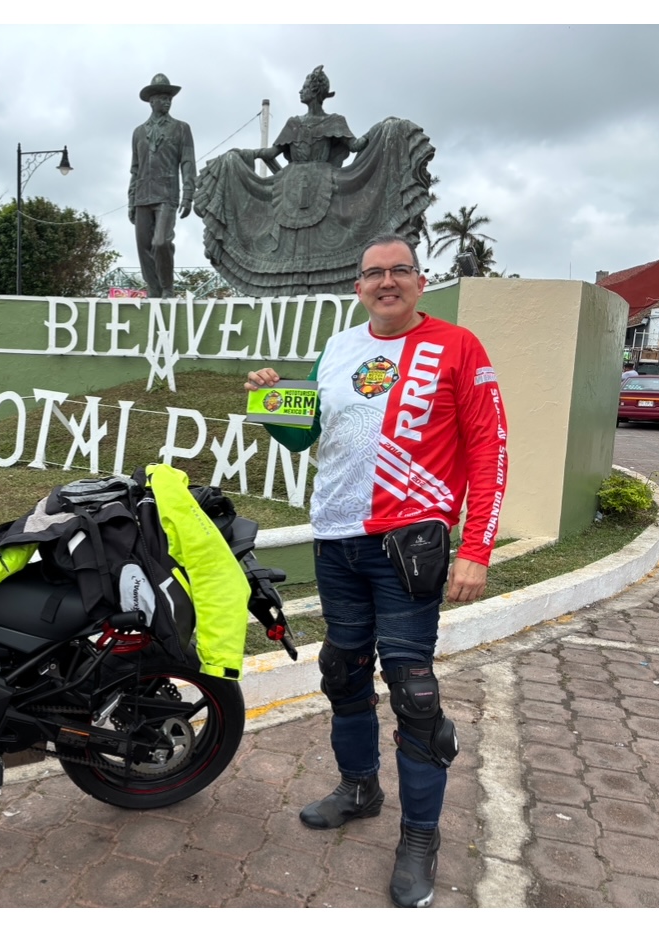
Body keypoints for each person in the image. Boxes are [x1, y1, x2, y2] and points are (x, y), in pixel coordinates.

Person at [244, 234, 508, 908]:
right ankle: (359, 787)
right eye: (372, 274)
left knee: (414, 691)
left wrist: (476, 546)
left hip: (408, 542)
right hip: (335, 539)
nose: (385, 282)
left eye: (398, 271)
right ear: (357, 286)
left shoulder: (457, 346)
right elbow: (312, 437)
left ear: (420, 281)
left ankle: (420, 835)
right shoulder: (337, 348)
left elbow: (488, 447)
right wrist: (275, 407)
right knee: (342, 669)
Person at [195, 65, 434, 297]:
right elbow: (270, 154)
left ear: (315, 92)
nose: (300, 91)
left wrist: (385, 128)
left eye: (305, 87)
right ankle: (286, 289)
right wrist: (240, 156)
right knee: (287, 242)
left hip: (325, 185)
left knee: (326, 237)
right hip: (289, 189)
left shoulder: (334, 121)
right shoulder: (293, 123)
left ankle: (325, 284)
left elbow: (356, 146)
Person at [128, 73, 195, 299]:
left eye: (169, 98)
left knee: (161, 242)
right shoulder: (138, 132)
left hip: (167, 195)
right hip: (142, 196)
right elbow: (135, 168)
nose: (167, 101)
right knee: (143, 248)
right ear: (152, 101)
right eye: (162, 97)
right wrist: (131, 200)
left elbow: (187, 163)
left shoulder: (181, 128)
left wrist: (188, 195)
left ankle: (167, 288)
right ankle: (153, 292)